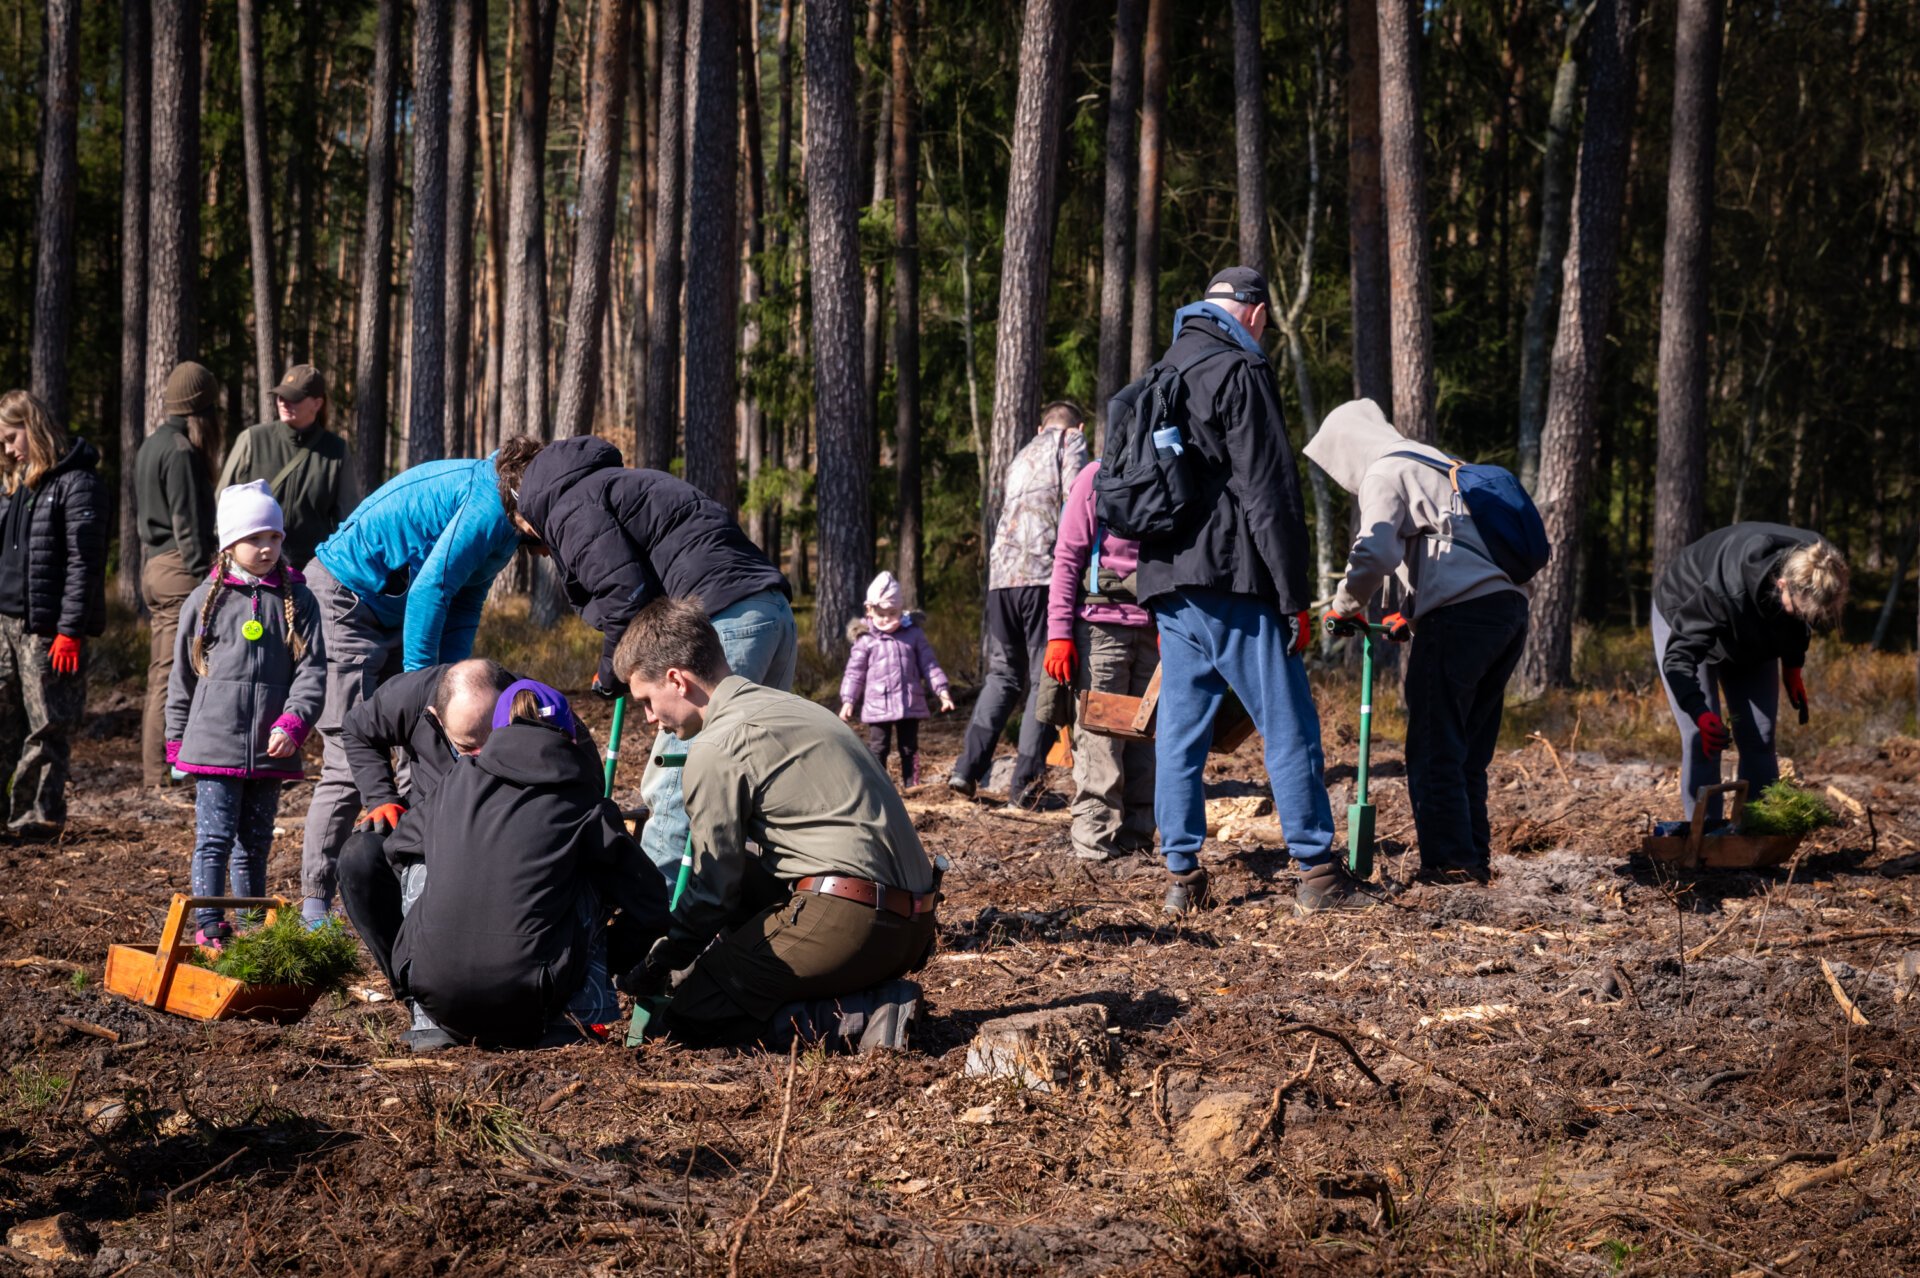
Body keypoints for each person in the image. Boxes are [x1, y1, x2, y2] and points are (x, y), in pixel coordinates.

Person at [1133, 267, 1365, 916]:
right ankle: (1318, 873)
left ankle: (1182, 876)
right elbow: (1269, 492)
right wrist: (1293, 596)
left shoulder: (1163, 372)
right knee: (1287, 725)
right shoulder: (1241, 368)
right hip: (1234, 580)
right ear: (1254, 314)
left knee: (1181, 733)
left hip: (1168, 583)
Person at [614, 599, 938, 1048]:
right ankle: (798, 981)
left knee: (690, 1018)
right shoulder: (785, 706)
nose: (650, 719)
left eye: (647, 702)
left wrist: (665, 957)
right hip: (913, 925)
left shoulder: (716, 746)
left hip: (858, 924)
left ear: (676, 679)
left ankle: (865, 1016)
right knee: (746, 870)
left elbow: (713, 890)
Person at [494, 434, 795, 885]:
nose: (536, 547)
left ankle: (654, 925)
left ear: (522, 509)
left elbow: (625, 595)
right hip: (771, 611)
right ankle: (756, 905)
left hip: (724, 623)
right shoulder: (611, 484)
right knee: (752, 771)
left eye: (525, 536)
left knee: (675, 781)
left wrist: (614, 669)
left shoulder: (568, 505)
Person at [339, 680, 669, 1047]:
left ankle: (428, 1013)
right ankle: (572, 1016)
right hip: (538, 997)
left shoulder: (453, 784)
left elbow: (398, 849)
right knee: (587, 874)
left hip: (436, 991)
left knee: (421, 859)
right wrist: (605, 959)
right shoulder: (586, 804)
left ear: (496, 730)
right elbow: (652, 904)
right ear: (571, 736)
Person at [1306, 398, 1531, 886]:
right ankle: (1472, 859)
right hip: (1507, 611)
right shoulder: (1436, 460)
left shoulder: (1385, 471)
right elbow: (1445, 544)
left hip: (1460, 616)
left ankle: (1449, 866)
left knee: (1434, 746)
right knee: (1468, 747)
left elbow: (1376, 550)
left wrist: (1343, 607)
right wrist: (1408, 612)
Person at [299, 454, 525, 925]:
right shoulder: (487, 505)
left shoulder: (506, 525)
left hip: (391, 611)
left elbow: (465, 602)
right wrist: (423, 691)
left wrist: (448, 681)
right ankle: (315, 906)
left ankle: (409, 888)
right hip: (346, 598)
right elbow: (431, 592)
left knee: (420, 749)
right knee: (348, 759)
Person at [164, 482, 326, 947]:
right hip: (213, 744)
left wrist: (294, 722)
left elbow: (312, 673)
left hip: (270, 746)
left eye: (275, 537)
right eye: (256, 538)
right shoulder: (203, 602)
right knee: (214, 841)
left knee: (254, 845)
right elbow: (181, 679)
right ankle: (209, 927)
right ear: (230, 542)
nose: (268, 547)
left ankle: (253, 931)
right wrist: (177, 742)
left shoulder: (300, 601)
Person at [1652, 523, 1850, 821]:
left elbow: (1796, 625)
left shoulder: (1818, 564)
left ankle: (1752, 832)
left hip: (1751, 630)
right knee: (1704, 737)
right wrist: (1699, 711)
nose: (1805, 619)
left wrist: (1793, 666)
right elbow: (1679, 659)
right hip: (1683, 613)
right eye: (1800, 611)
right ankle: (1704, 840)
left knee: (1760, 735)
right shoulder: (1726, 589)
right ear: (1783, 584)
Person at [948, 401, 1088, 805]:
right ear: (1074, 426)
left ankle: (966, 770)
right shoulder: (1071, 441)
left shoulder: (1021, 455)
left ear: (1040, 425)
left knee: (1002, 677)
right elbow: (1075, 500)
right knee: (1044, 678)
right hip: (1043, 576)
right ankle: (1025, 787)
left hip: (1001, 580)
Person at [0, 391, 107, 840]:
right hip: (5, 623)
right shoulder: (14, 484)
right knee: (6, 725)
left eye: (12, 437)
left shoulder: (76, 482)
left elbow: (84, 561)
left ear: (34, 427)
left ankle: (38, 818)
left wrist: (69, 630)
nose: (7, 448)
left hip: (47, 630)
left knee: (47, 726)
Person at [1043, 459, 1157, 861]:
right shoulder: (1094, 477)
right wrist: (1058, 633)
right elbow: (1068, 557)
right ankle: (1095, 849)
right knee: (1100, 745)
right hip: (1098, 631)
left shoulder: (1173, 473)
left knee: (1148, 742)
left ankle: (1138, 843)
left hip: (1156, 630)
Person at [135, 361, 221, 792]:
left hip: (154, 566)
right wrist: (205, 579)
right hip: (179, 571)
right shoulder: (183, 452)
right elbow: (188, 526)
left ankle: (166, 770)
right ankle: (159, 777)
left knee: (164, 670)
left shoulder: (153, 444)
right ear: (202, 411)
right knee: (172, 675)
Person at [218, 364, 360, 567]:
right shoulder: (252, 439)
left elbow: (346, 520)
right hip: (254, 569)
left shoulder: (336, 450)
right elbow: (222, 501)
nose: (284, 403)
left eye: (295, 398)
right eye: (281, 396)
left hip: (309, 571)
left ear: (317, 404)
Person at [839, 571, 954, 786]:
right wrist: (848, 700)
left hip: (908, 702)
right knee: (878, 747)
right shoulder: (865, 639)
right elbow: (854, 672)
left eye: (892, 613)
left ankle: (913, 786)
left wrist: (942, 690)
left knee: (909, 747)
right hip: (877, 704)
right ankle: (879, 787)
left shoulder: (913, 634)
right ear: (869, 610)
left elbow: (929, 665)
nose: (886, 619)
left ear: (901, 609)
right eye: (881, 613)